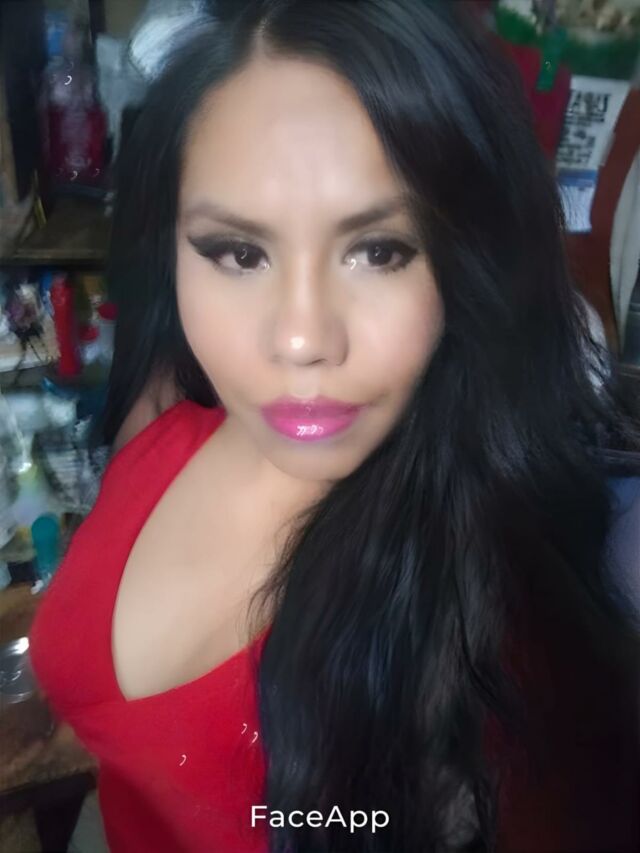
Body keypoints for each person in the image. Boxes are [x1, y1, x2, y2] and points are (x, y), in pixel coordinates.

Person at [28, 1, 640, 851]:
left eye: (379, 251)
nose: (301, 339)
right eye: (239, 252)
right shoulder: (162, 429)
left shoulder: (479, 644)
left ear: (468, 265)